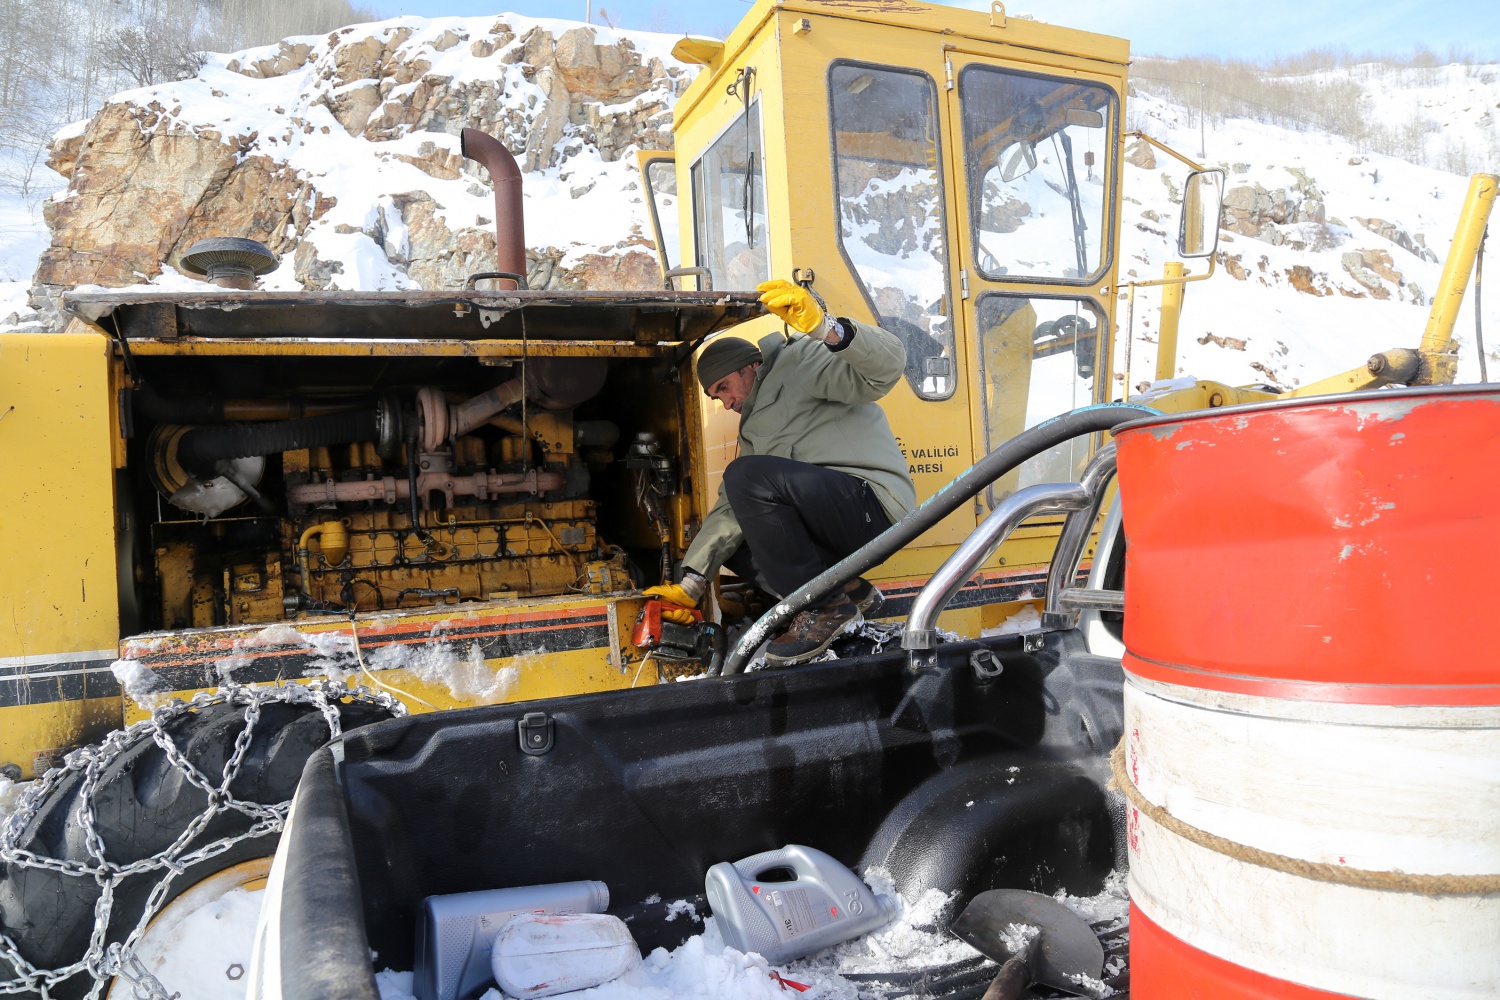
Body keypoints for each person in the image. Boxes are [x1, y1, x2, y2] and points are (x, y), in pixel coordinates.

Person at [644, 278, 916, 666]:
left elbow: (885, 371)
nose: (726, 403)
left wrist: (828, 330)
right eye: (716, 397)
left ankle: (823, 609)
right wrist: (692, 581)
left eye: (724, 388)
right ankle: (847, 591)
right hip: (832, 517)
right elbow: (730, 512)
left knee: (744, 477)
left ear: (750, 366)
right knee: (738, 537)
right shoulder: (755, 426)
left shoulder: (799, 362)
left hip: (870, 504)